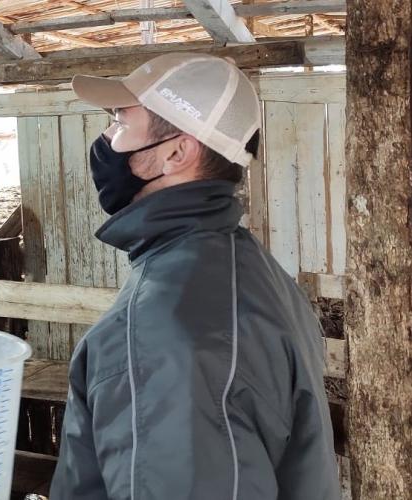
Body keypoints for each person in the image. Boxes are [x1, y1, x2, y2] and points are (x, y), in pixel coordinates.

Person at [50, 53, 340, 499]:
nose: (108, 138)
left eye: (122, 123)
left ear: (177, 152)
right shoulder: (256, 275)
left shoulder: (163, 326)